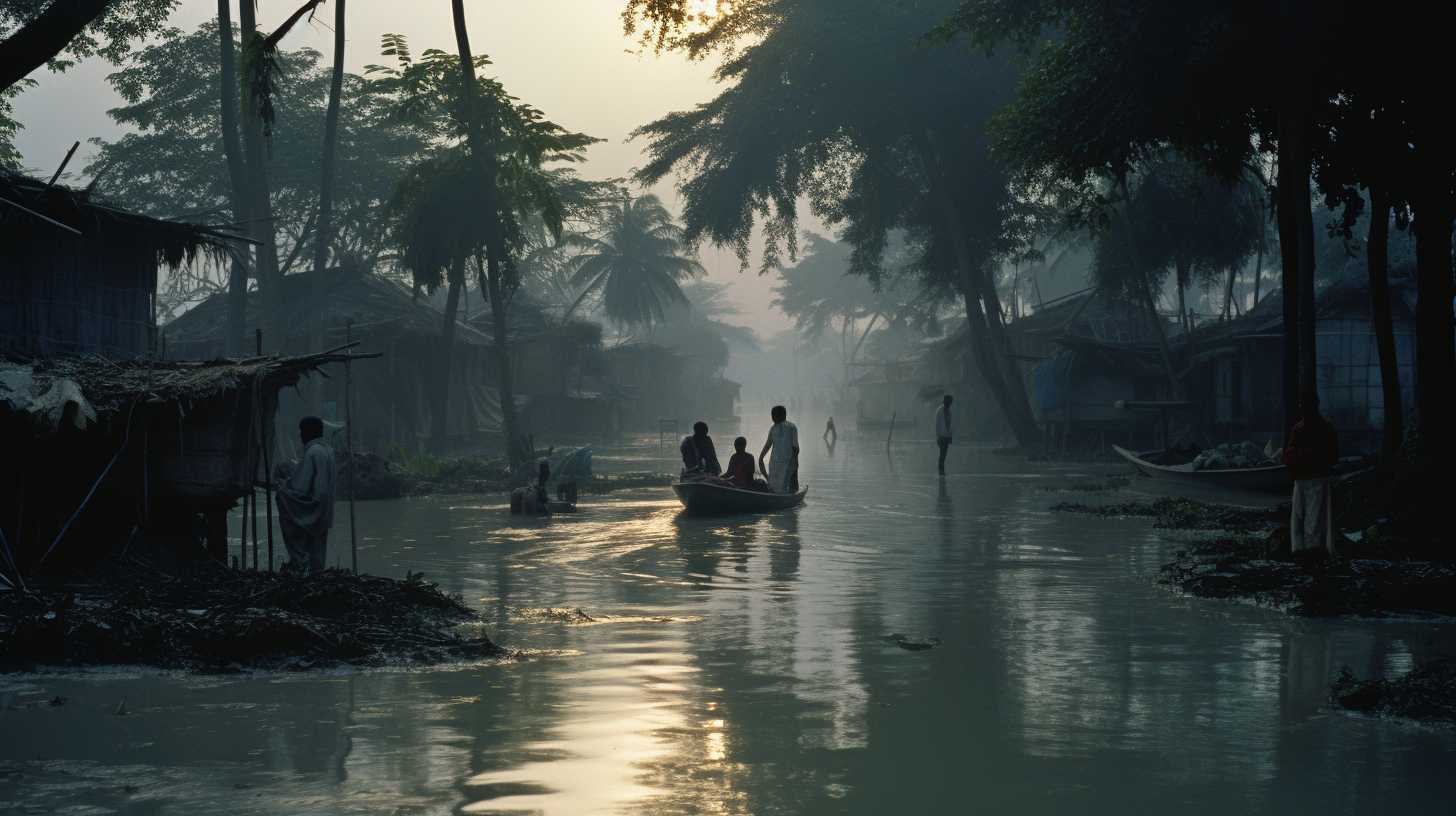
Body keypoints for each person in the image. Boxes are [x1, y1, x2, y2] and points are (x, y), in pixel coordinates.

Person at [275, 415, 337, 574]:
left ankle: (300, 563)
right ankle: (316, 571)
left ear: (307, 433)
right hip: (325, 509)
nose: (300, 435)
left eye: (302, 432)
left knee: (282, 498)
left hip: (313, 506)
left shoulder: (312, 452)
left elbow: (301, 487)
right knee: (318, 545)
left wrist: (284, 485)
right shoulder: (328, 450)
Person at [1282, 395, 1339, 560]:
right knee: (1307, 518)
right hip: (1309, 478)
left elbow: (1290, 455)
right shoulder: (1318, 428)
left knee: (1309, 519)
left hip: (1312, 478)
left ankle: (1309, 552)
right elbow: (1332, 456)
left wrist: (1303, 458)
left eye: (1304, 405)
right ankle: (1308, 552)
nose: (1302, 408)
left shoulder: (1306, 428)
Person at [759, 405, 800, 493]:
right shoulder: (790, 427)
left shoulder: (783, 428)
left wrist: (761, 457)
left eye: (774, 415)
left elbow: (795, 448)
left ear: (783, 415)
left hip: (782, 462)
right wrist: (761, 457)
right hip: (779, 462)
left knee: (777, 486)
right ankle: (791, 493)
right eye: (772, 415)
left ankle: (787, 493)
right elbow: (796, 448)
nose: (772, 418)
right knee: (786, 485)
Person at [934, 394, 953, 475]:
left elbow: (950, 424)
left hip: (946, 436)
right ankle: (941, 471)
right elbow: (937, 424)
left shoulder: (949, 411)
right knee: (942, 454)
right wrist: (938, 436)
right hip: (941, 436)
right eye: (949, 402)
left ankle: (942, 471)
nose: (950, 404)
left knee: (944, 455)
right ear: (946, 401)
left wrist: (950, 436)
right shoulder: (940, 410)